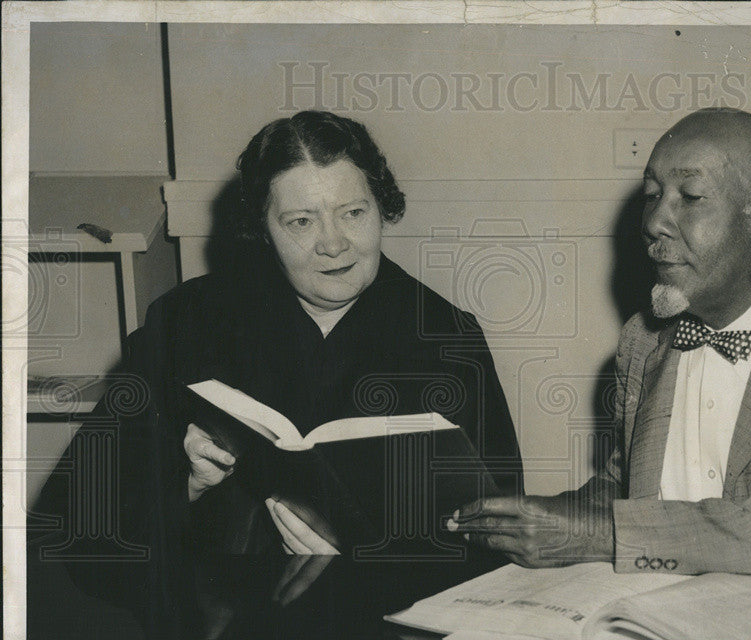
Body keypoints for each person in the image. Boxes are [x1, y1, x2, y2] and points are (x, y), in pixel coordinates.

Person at [450, 108, 751, 583]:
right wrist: (538, 518)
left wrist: (607, 535)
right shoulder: (644, 339)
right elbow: (624, 486)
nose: (654, 221)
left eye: (690, 197)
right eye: (652, 194)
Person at [33, 110, 522, 565]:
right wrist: (186, 485)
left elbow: (500, 535)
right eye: (301, 222)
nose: (333, 244)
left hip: (386, 622)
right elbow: (73, 515)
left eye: (353, 213)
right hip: (224, 620)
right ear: (263, 230)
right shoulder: (187, 321)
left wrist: (365, 557)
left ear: (380, 208)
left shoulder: (446, 337)